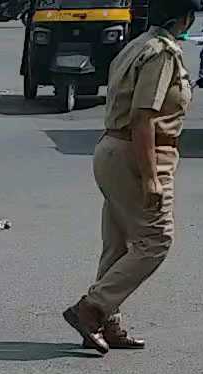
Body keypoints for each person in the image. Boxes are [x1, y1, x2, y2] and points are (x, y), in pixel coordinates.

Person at [61, 0, 195, 353]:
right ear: (184, 19)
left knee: (118, 243)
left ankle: (108, 319)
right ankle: (91, 309)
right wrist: (151, 176)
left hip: (113, 150)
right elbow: (144, 118)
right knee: (155, 241)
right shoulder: (162, 54)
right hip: (137, 155)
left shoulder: (137, 45)